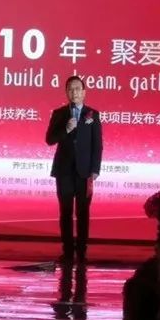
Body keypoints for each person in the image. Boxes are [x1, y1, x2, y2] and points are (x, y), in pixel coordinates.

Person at [46, 76, 103, 262]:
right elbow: (50, 140)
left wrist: (95, 169)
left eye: (78, 89)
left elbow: (97, 145)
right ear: (66, 92)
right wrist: (66, 130)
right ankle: (68, 252)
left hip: (85, 172)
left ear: (84, 92)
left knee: (83, 212)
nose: (74, 92)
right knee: (65, 212)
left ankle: (82, 252)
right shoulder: (59, 114)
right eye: (71, 89)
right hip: (64, 171)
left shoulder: (92, 115)